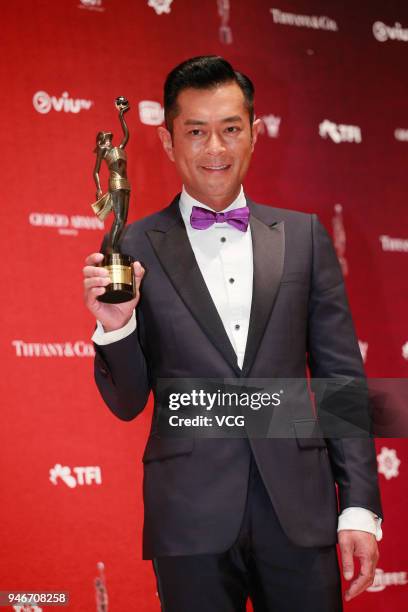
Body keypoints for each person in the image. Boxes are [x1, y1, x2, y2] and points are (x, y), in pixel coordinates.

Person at [83, 56, 382, 611]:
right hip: (189, 517)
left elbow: (342, 381)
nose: (214, 149)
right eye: (195, 131)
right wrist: (116, 329)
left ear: (255, 133)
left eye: (230, 129)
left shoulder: (305, 237)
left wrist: (359, 505)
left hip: (300, 511)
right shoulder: (132, 247)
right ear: (168, 141)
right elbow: (127, 404)